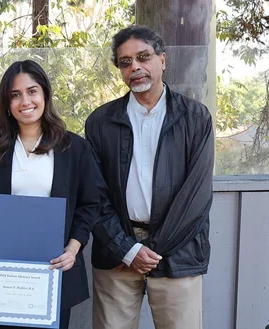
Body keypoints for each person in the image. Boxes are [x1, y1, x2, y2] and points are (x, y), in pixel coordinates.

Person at [86, 25, 214, 329]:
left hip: (177, 255)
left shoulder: (195, 118)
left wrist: (152, 250)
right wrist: (127, 249)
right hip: (116, 254)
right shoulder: (100, 122)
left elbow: (195, 198)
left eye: (143, 57)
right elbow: (94, 194)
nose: (135, 67)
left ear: (163, 60)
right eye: (125, 62)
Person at [0, 60, 99, 329]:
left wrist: (73, 249)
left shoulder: (74, 148)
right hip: (2, 273)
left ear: (45, 95)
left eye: (32, 91)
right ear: (7, 103)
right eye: (15, 95)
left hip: (53, 271)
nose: (25, 101)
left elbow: (89, 205)